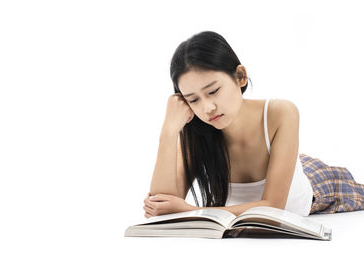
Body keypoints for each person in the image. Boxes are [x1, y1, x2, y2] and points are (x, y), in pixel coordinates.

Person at [143, 31, 364, 218]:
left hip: (317, 187)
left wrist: (194, 211)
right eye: (193, 100)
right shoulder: (196, 132)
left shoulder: (281, 113)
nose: (207, 108)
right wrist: (168, 131)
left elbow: (273, 206)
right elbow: (160, 206)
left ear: (240, 77)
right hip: (280, 166)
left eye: (213, 91)